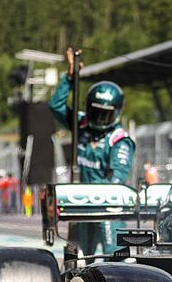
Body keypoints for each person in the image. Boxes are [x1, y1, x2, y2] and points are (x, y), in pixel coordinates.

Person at [49, 47, 135, 255]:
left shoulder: (120, 140)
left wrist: (94, 196)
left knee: (114, 257)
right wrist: (69, 79)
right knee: (74, 257)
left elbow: (117, 179)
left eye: (104, 115)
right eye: (95, 112)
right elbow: (56, 106)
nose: (98, 119)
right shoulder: (82, 124)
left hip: (106, 208)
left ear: (115, 113)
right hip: (79, 205)